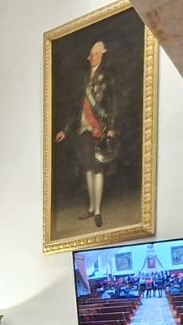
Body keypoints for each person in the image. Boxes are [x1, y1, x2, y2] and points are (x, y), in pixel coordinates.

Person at [55, 41, 117, 228]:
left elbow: (112, 103)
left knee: (98, 168)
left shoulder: (107, 76)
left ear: (102, 55)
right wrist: (65, 130)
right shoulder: (83, 79)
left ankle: (98, 211)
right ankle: (91, 207)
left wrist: (111, 127)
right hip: (83, 128)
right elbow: (75, 107)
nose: (93, 58)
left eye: (96, 54)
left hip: (98, 128)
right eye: (91, 55)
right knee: (88, 167)